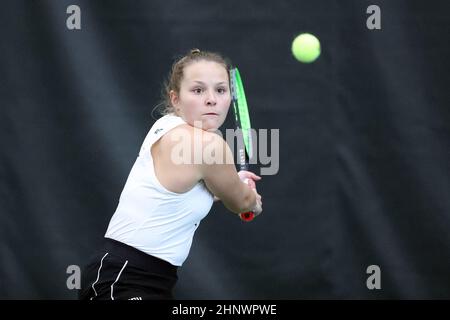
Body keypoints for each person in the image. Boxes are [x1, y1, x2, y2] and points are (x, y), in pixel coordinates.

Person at [79, 49, 263, 300]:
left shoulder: (165, 125)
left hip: (144, 279)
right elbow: (240, 202)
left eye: (220, 90)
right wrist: (250, 200)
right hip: (122, 280)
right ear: (175, 99)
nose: (211, 99)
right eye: (198, 90)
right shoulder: (209, 146)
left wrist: (235, 184)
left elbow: (194, 190)